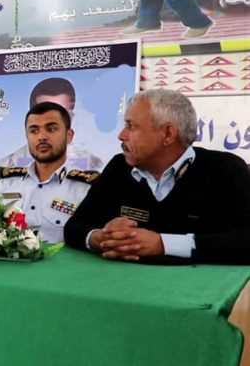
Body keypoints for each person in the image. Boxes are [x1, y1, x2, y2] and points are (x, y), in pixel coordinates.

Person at [64, 89, 250, 264]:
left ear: (168, 134)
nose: (121, 135)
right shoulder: (119, 167)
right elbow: (74, 227)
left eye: (131, 126)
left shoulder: (226, 170)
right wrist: (100, 238)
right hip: (124, 283)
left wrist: (163, 244)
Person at [0, 102, 99, 244]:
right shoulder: (4, 184)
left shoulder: (87, 190)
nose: (42, 136)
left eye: (51, 129)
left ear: (69, 136)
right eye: (34, 131)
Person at [0, 77, 104, 171]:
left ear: (71, 117)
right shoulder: (5, 166)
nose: (43, 136)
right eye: (44, 110)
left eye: (61, 113)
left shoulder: (94, 165)